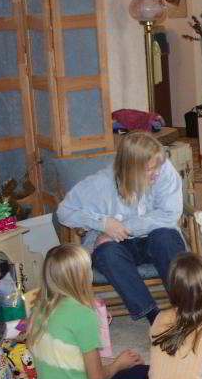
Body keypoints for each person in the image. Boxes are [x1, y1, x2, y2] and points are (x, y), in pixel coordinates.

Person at [56, 131, 185, 325]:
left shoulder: (164, 170)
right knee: (106, 253)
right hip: (119, 247)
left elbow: (169, 215)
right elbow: (64, 211)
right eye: (150, 169)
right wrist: (103, 223)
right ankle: (154, 316)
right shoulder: (100, 184)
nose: (157, 173)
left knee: (167, 238)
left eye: (158, 166)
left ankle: (186, 309)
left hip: (154, 239)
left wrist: (125, 227)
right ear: (130, 169)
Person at [28, 244, 148, 379]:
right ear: (82, 277)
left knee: (125, 367)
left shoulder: (39, 308)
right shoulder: (82, 315)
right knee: (150, 374)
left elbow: (69, 357)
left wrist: (115, 364)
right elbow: (96, 377)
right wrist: (118, 364)